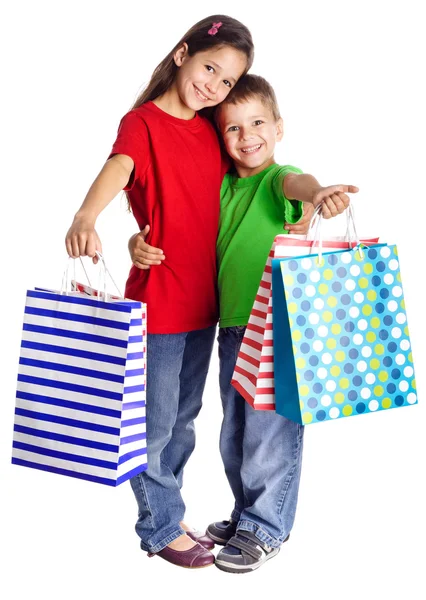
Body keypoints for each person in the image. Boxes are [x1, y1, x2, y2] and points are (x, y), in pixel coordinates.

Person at [129, 74, 358, 573]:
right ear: (219, 137)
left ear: (278, 128)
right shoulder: (221, 187)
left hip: (278, 323)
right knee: (235, 431)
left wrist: (318, 192)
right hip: (234, 326)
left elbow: (297, 183)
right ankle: (246, 512)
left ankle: (267, 525)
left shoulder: (279, 180)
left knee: (269, 431)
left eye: (257, 123)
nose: (247, 135)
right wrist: (134, 242)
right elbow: (179, 228)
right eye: (232, 128)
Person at [65, 15, 254, 569]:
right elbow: (121, 168)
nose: (213, 86)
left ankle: (168, 507)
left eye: (225, 81)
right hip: (161, 301)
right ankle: (159, 525)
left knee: (186, 417)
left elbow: (205, 202)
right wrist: (88, 214)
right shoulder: (142, 122)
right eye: (209, 68)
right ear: (182, 55)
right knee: (152, 422)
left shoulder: (212, 129)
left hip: (206, 305)